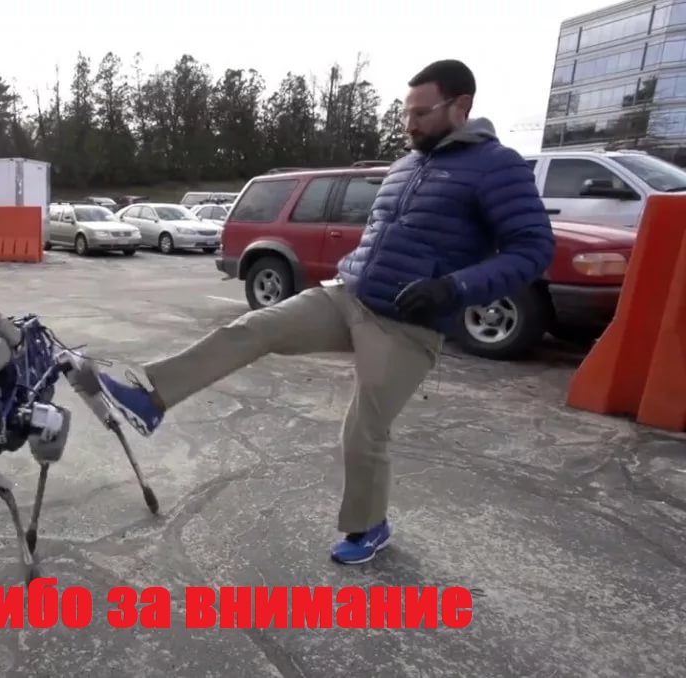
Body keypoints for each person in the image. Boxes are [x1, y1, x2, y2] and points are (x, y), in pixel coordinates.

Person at [94, 59, 556, 565]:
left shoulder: (497, 166)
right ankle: (154, 398)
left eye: (422, 113)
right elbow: (385, 232)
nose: (409, 124)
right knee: (253, 327)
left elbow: (533, 249)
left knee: (363, 430)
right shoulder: (406, 165)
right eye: (406, 113)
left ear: (461, 106)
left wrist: (454, 287)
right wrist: (354, 265)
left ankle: (370, 525)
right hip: (349, 294)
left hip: (406, 325)